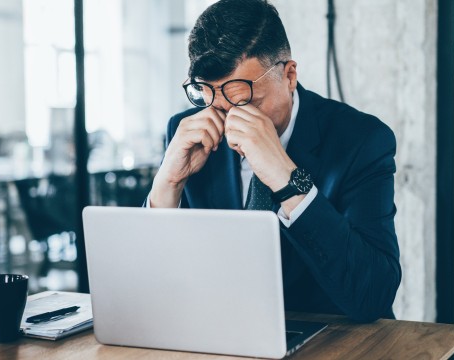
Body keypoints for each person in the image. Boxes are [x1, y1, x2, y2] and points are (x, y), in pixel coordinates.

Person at [147, 0, 400, 323]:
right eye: (216, 104)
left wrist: (286, 177)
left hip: (334, 340)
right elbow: (156, 288)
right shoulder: (187, 134)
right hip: (223, 336)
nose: (230, 121)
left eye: (245, 103)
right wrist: (167, 185)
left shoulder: (361, 140)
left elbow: (373, 294)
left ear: (289, 75)